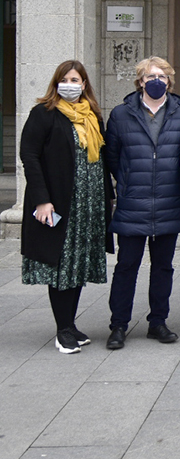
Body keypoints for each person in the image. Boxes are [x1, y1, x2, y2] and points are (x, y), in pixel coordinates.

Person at [21, 61, 112, 354]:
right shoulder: (44, 114)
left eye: (76, 79)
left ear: (85, 84)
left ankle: (71, 324)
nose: (71, 84)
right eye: (65, 79)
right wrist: (41, 199)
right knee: (61, 267)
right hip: (60, 203)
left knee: (77, 266)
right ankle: (62, 330)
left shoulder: (93, 116)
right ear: (56, 83)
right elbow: (29, 156)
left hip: (90, 205)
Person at [105, 57, 180, 350]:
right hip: (134, 202)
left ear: (170, 80)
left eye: (163, 76)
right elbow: (113, 158)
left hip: (169, 201)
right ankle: (118, 325)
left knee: (163, 267)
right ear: (140, 80)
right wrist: (128, 181)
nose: (157, 81)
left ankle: (158, 322)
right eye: (150, 76)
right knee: (127, 266)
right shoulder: (120, 114)